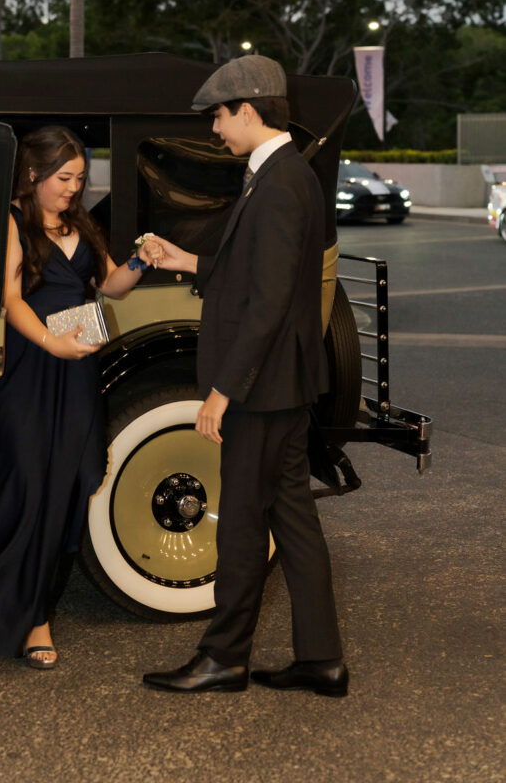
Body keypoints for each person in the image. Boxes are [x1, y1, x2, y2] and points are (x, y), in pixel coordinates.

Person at [142, 55, 347, 696]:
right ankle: (321, 659)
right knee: (294, 523)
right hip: (283, 383)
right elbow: (256, 273)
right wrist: (189, 261)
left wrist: (222, 391)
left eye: (220, 116)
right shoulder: (284, 173)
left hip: (261, 388)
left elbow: (268, 302)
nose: (214, 130)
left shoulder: (279, 181)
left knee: (239, 525)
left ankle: (223, 658)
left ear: (249, 111)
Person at [0, 126, 159, 669]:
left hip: (75, 371)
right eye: (64, 178)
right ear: (34, 173)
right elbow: (10, 299)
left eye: (80, 178)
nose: (73, 188)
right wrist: (51, 343)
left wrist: (141, 259)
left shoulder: (80, 223)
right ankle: (6, 611)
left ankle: (36, 609)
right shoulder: (6, 221)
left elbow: (109, 285)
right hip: (29, 366)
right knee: (24, 485)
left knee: (69, 484)